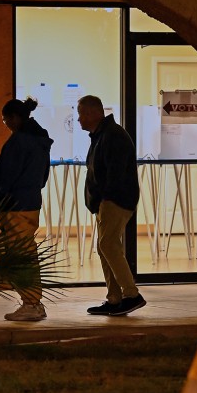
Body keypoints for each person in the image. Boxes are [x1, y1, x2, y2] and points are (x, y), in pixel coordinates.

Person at [0, 97, 53, 322]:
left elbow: (7, 177)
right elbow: (42, 177)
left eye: (5, 121)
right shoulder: (40, 141)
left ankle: (31, 303)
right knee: (27, 252)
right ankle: (32, 302)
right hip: (31, 202)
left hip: (14, 205)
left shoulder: (19, 142)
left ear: (14, 118)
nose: (6, 125)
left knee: (21, 255)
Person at [77, 95, 145, 316]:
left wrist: (106, 197)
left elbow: (114, 173)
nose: (79, 119)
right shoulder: (101, 135)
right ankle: (114, 299)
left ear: (95, 113)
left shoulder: (113, 136)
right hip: (106, 201)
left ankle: (131, 294)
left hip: (115, 200)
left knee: (107, 244)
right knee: (104, 246)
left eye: (82, 114)